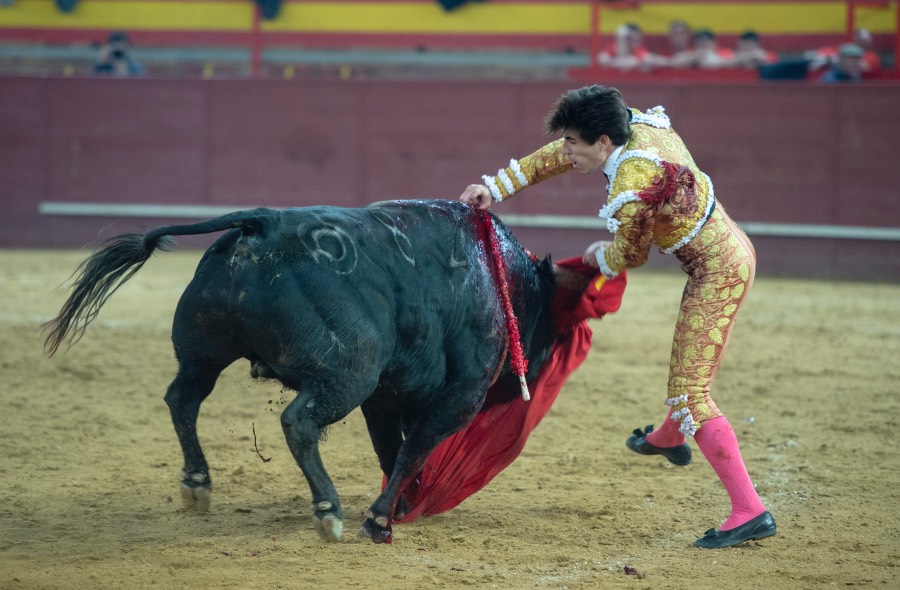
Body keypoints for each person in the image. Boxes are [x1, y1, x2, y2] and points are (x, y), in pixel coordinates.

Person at [459, 85, 776, 549]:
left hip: (719, 273)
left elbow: (631, 254)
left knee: (690, 391)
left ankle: (750, 511)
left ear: (604, 141)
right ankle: (669, 438)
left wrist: (600, 255)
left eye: (573, 143)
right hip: (728, 249)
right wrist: (496, 188)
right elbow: (559, 154)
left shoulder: (634, 182)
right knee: (689, 378)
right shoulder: (633, 124)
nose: (566, 151)